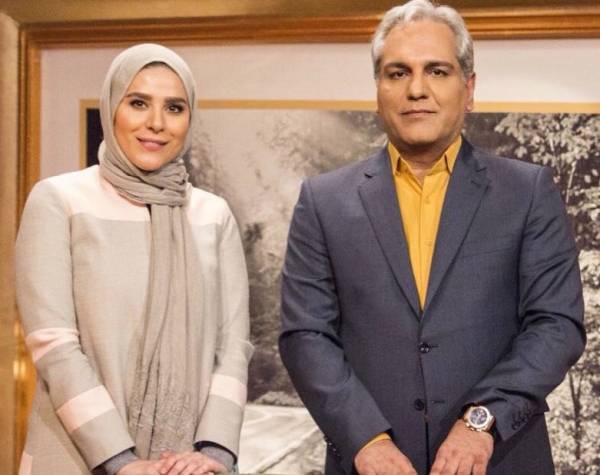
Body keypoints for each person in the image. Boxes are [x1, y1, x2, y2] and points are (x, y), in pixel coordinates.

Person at [279, 1, 586, 474]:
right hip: (368, 464)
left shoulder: (527, 192)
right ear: (378, 89)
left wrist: (481, 423)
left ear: (469, 89)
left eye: (437, 71)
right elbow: (305, 335)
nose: (416, 89)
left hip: (501, 458)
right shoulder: (323, 202)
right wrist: (365, 440)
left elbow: (557, 325)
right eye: (397, 73)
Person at [16, 44, 253, 475]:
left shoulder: (212, 215)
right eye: (139, 103)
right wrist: (121, 461)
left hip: (188, 466)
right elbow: (54, 344)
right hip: (76, 459)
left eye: (174, 107)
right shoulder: (60, 200)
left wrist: (214, 453)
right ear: (112, 107)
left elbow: (233, 346)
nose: (157, 123)